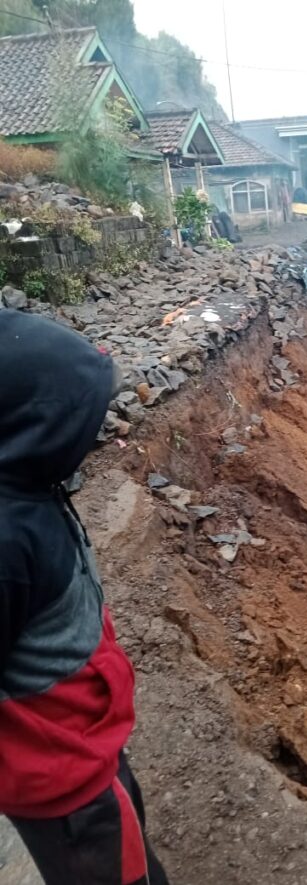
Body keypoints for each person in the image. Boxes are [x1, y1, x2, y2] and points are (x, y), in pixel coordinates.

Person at [0, 310, 170, 885]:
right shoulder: (7, 538)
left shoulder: (23, 489)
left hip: (84, 753)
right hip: (69, 785)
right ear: (33, 428)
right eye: (81, 420)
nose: (96, 433)